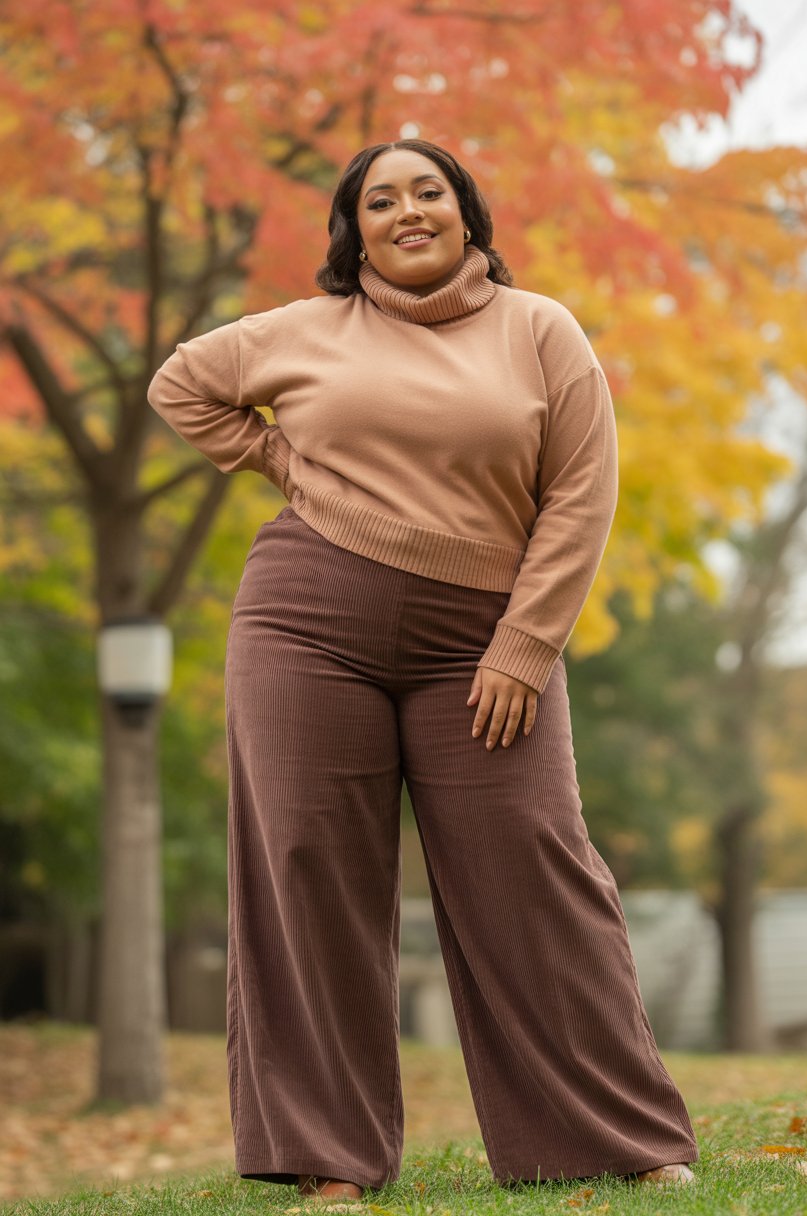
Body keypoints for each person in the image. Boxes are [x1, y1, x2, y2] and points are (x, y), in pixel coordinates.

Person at [148, 139, 698, 1202]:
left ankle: (614, 1138)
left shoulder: (541, 330)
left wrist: (526, 644)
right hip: (305, 624)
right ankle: (328, 1161)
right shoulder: (301, 331)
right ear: (353, 228)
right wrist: (274, 459)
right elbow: (184, 384)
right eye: (379, 199)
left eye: (427, 192)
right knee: (306, 866)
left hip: (482, 644)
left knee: (534, 865)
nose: (407, 211)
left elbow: (581, 496)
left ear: (465, 211)